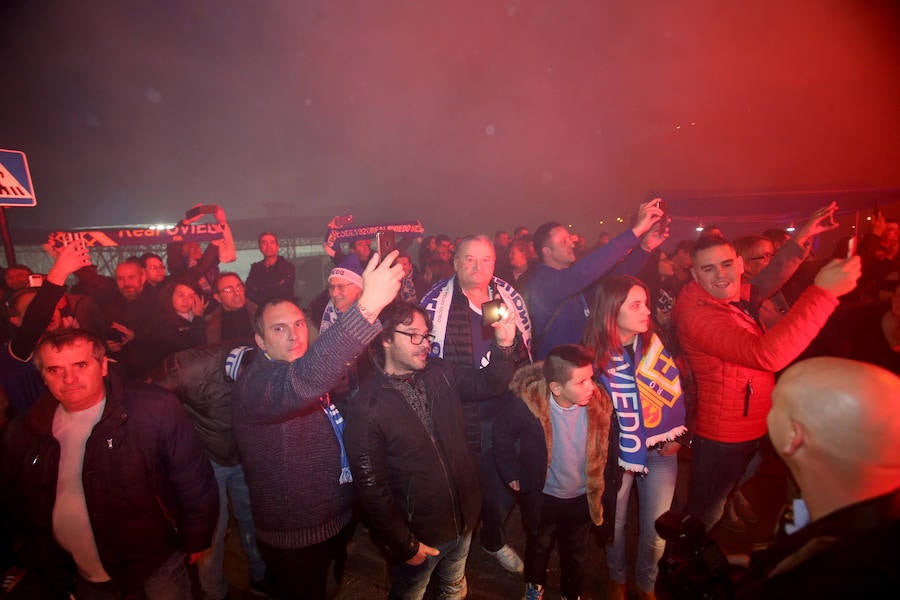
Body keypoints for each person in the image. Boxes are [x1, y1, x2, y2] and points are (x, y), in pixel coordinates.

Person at [231, 250, 402, 599]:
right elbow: (302, 382)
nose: (294, 335)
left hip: (335, 521)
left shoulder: (304, 366)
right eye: (279, 329)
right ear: (260, 342)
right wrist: (366, 307)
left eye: (297, 324)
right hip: (296, 538)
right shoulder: (257, 383)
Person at [1, 328, 218, 598]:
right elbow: (19, 503)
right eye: (54, 370)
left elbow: (192, 477)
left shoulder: (153, 409)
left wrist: (195, 537)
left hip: (154, 564)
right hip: (81, 572)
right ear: (42, 377)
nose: (69, 379)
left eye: (80, 365)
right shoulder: (27, 431)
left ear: (103, 365)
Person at [672, 235, 861, 530]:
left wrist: (800, 240)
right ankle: (678, 569)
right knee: (703, 514)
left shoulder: (729, 296)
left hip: (752, 422)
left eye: (725, 264)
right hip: (725, 436)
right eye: (708, 269)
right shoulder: (699, 315)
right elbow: (767, 355)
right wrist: (823, 294)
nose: (720, 274)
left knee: (730, 488)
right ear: (694, 274)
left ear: (738, 264)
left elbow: (763, 283)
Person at [344, 300, 519, 600]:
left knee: (453, 586)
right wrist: (404, 544)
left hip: (464, 517)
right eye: (414, 335)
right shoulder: (367, 408)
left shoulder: (440, 371)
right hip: (420, 534)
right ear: (385, 338)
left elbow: (489, 384)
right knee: (411, 591)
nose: (424, 343)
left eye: (426, 335)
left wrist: (504, 344)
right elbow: (372, 489)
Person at [736, 357, 900, 598]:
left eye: (774, 403)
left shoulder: (824, 581)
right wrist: (763, 562)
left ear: (794, 436)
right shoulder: (865, 530)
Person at [419, 234, 532, 574]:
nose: (478, 266)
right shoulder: (436, 305)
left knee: (503, 487)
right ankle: (457, 552)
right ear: (455, 262)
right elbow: (433, 371)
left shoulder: (507, 298)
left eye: (485, 259)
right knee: (464, 491)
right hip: (461, 417)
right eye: (469, 259)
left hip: (506, 414)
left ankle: (493, 539)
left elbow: (525, 354)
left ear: (495, 265)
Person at [583, 276, 687, 600]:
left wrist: (681, 430)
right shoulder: (591, 355)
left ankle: (647, 583)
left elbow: (684, 386)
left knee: (657, 529)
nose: (647, 311)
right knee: (614, 525)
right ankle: (617, 577)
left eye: (646, 302)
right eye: (636, 305)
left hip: (661, 451)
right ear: (612, 311)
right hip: (619, 455)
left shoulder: (660, 341)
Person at [147, 341, 270, 600]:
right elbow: (148, 400)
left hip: (243, 456)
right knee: (212, 529)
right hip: (206, 459)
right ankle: (214, 591)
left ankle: (260, 577)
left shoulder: (269, 370)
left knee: (254, 518)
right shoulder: (189, 367)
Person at [493, 344, 613, 600]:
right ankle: (535, 584)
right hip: (543, 496)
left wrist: (608, 485)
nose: (592, 386)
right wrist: (511, 471)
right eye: (581, 381)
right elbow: (501, 432)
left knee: (576, 551)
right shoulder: (529, 406)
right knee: (538, 545)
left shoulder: (598, 404)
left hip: (582, 497)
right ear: (556, 388)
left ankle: (571, 591)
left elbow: (607, 448)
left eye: (591, 377)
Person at [527, 200, 665, 359]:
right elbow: (585, 271)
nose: (572, 243)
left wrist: (644, 249)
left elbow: (614, 278)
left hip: (581, 367)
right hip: (555, 373)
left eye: (570, 238)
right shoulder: (543, 283)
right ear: (547, 252)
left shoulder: (573, 283)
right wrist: (636, 231)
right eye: (563, 241)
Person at [205, 272, 257, 345]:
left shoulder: (260, 313)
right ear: (218, 297)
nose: (237, 293)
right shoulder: (210, 325)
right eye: (229, 289)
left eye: (239, 287)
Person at [245, 232, 296, 304]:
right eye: (264, 243)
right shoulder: (255, 268)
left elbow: (283, 292)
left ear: (277, 247)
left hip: (284, 308)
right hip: (263, 310)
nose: (268, 246)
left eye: (272, 242)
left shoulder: (288, 267)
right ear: (260, 248)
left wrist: (260, 289)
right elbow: (249, 292)